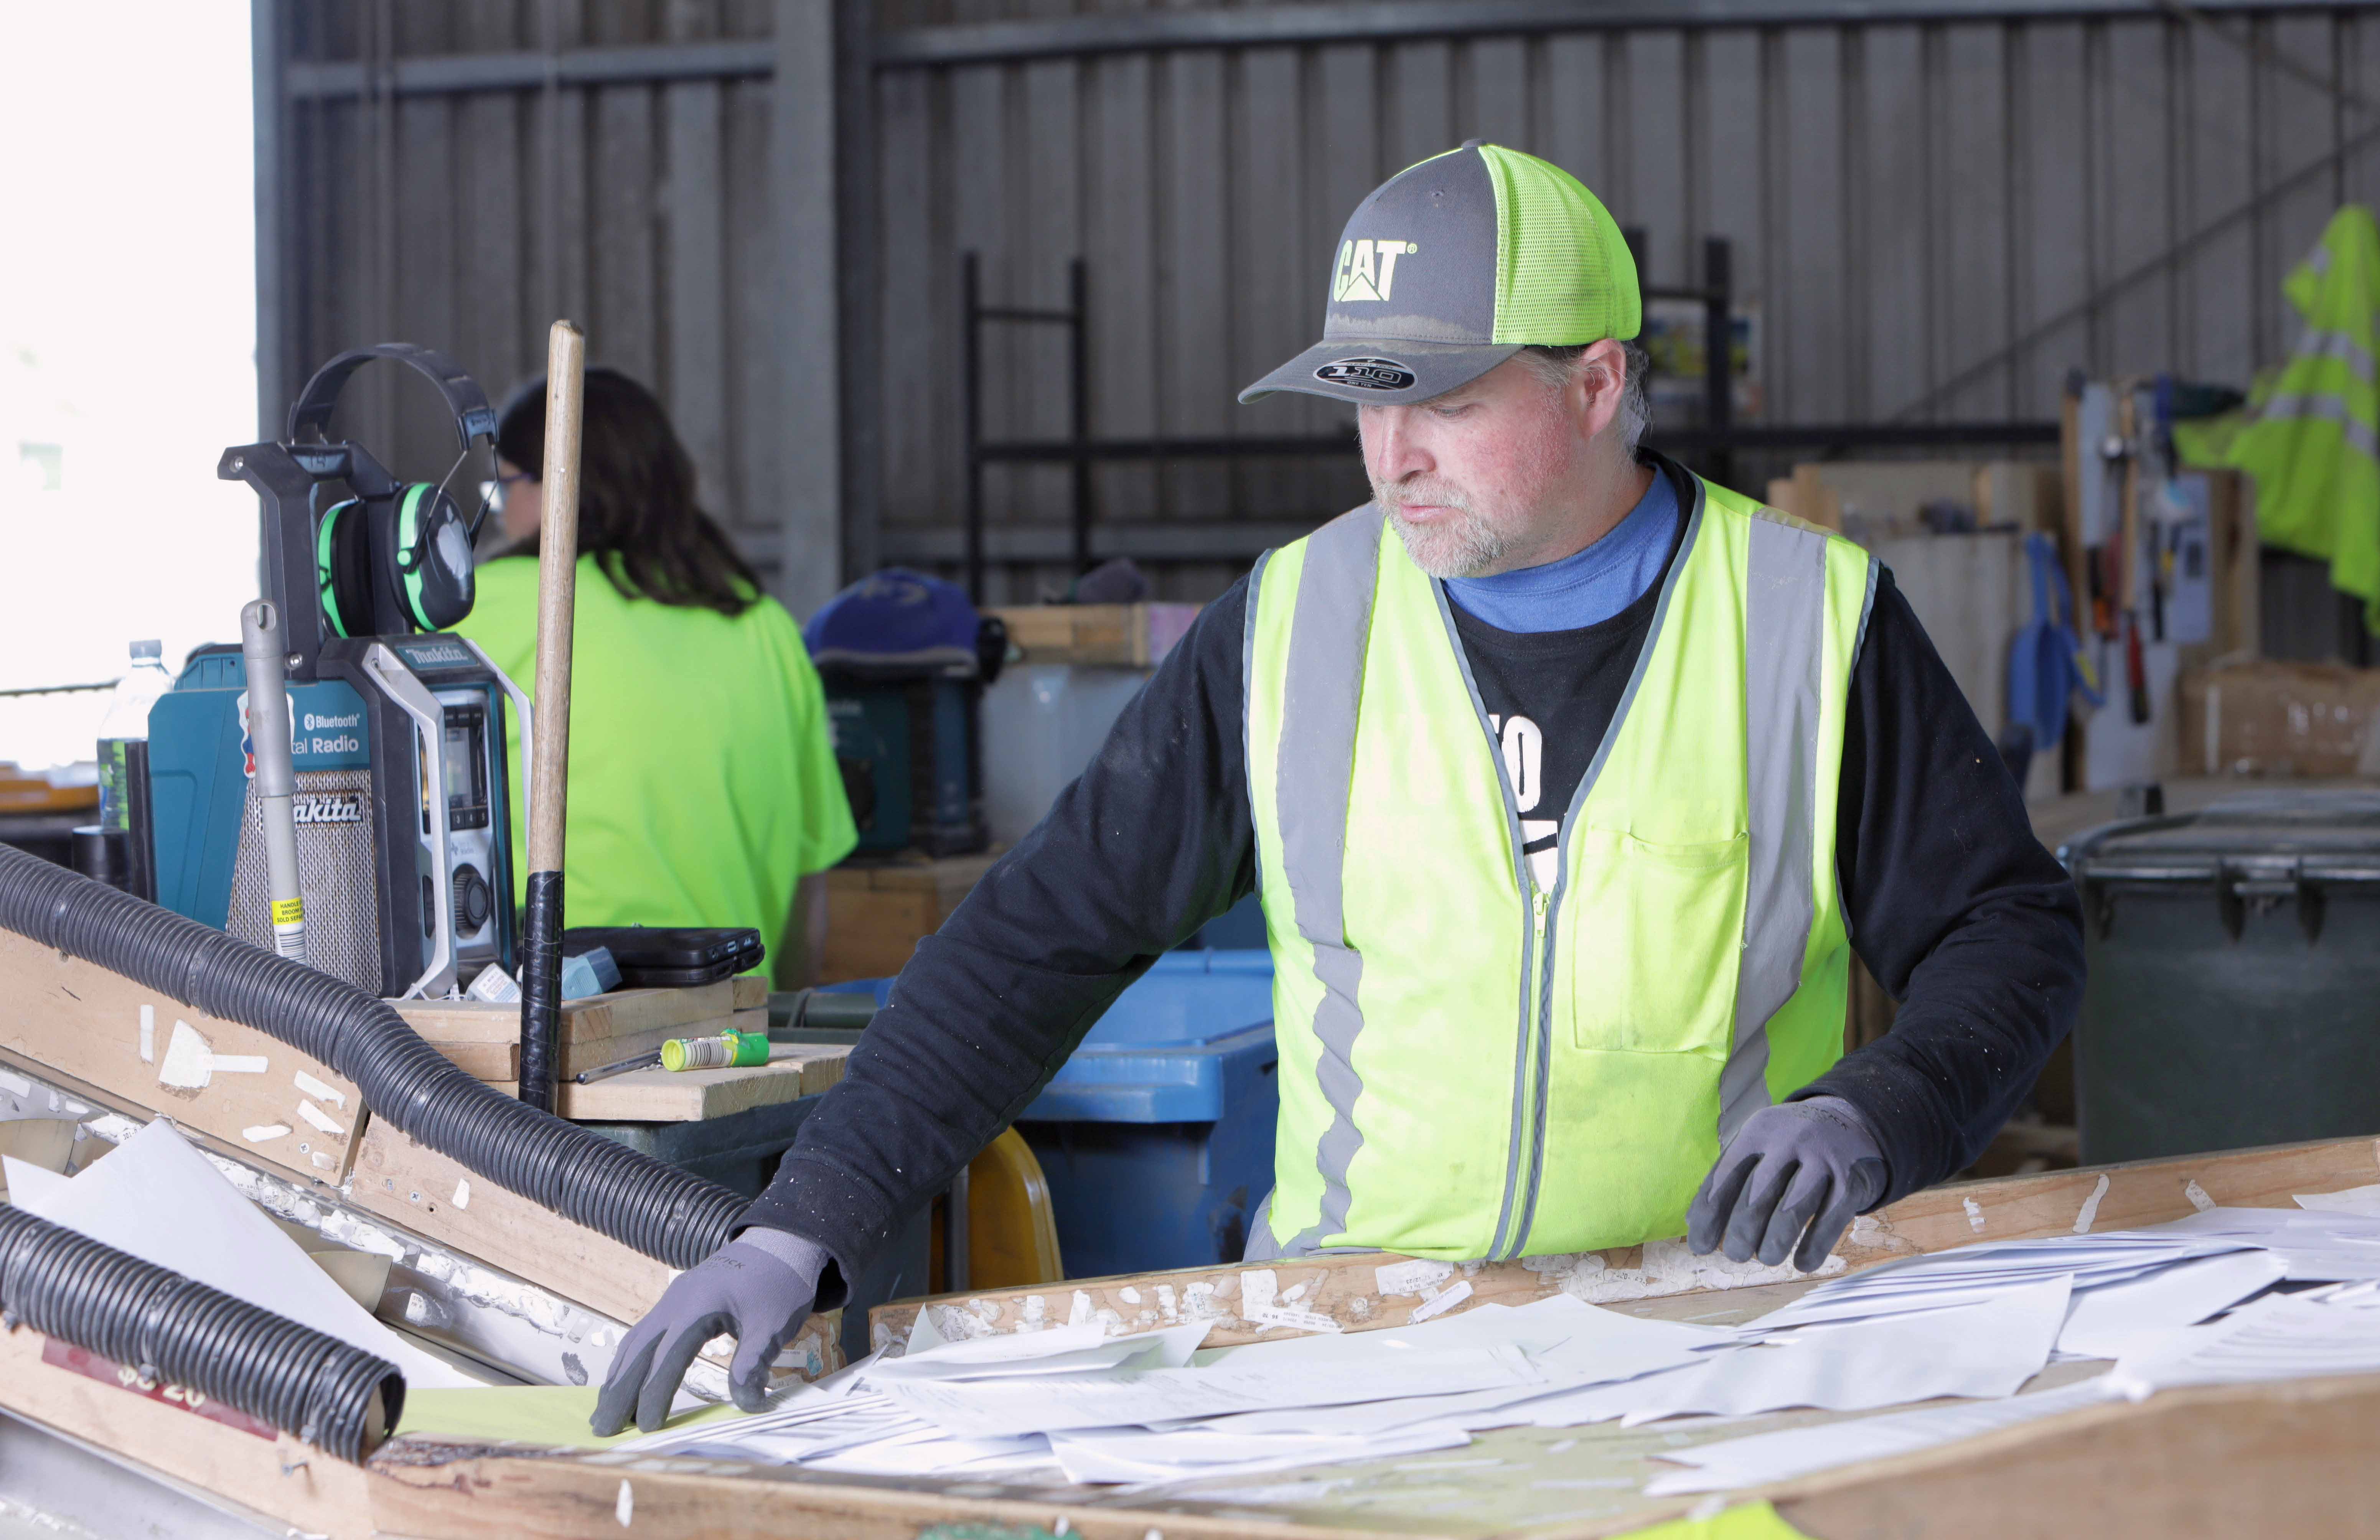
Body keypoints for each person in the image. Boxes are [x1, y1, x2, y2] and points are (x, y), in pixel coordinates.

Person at [592, 143, 2085, 1434]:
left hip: (1703, 1356)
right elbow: (1038, 937)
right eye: (1361, 404)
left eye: (1436, 398)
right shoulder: (1297, 623)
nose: (1390, 456)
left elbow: (2012, 931)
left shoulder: (1807, 620)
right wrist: (811, 1214)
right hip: (1353, 1356)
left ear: (1596, 382)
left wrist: (1886, 1105)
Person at [459, 368, 854, 981]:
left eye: (505, 485)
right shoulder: (765, 626)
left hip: (550, 1031)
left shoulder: (486, 607)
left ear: (551, 486)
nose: (504, 509)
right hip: (738, 1038)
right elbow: (812, 908)